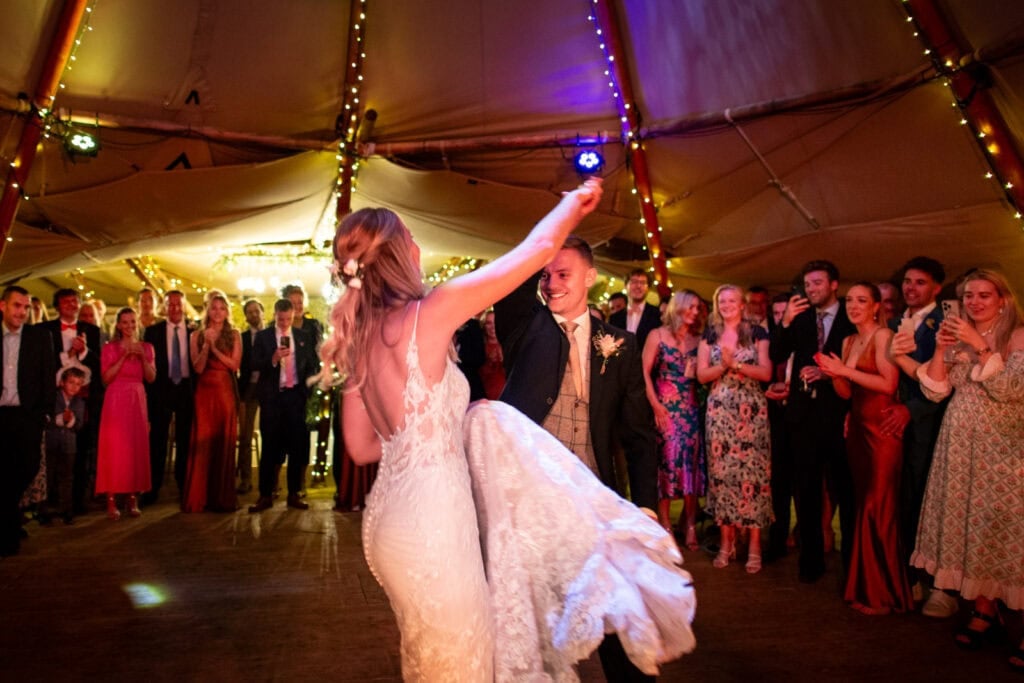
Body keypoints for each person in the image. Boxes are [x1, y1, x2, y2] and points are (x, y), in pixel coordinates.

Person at [326, 182, 693, 680]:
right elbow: (536, 251)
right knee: (462, 664)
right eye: (410, 237)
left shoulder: (360, 336)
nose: (417, 247)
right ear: (394, 254)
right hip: (435, 520)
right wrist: (572, 205)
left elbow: (362, 446)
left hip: (390, 521)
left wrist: (433, 433)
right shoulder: (429, 314)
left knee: (431, 657)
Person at [496, 234, 671, 682]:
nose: (552, 284)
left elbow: (637, 436)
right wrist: (548, 239)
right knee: (533, 623)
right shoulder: (525, 328)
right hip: (529, 502)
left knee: (617, 614)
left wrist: (647, 505)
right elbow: (512, 286)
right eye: (546, 274)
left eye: (563, 274)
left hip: (594, 497)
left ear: (591, 278)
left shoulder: (622, 345)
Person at [905, 269, 1024, 671]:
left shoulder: (1018, 336)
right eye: (968, 295)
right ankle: (984, 610)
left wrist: (981, 347)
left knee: (1007, 531)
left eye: (983, 295)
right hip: (959, 449)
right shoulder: (959, 334)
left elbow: (1012, 391)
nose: (973, 302)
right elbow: (935, 390)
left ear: (1003, 299)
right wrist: (941, 349)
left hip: (1007, 450)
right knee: (975, 528)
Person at [817, 283, 912, 615]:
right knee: (862, 506)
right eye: (850, 301)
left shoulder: (883, 337)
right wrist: (832, 374)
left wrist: (844, 370)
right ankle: (867, 587)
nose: (854, 306)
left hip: (884, 430)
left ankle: (884, 594)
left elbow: (888, 384)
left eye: (862, 301)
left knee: (878, 506)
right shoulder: (847, 341)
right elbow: (846, 392)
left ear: (875, 307)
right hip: (857, 428)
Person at [772, 260, 856, 583]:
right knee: (805, 490)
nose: (812, 289)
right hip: (803, 416)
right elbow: (778, 353)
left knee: (844, 491)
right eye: (808, 284)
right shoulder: (801, 316)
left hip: (838, 415)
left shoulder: (851, 316)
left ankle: (851, 563)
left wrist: (828, 372)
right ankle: (811, 560)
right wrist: (786, 321)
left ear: (834, 284)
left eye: (818, 283)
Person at [886, 256, 951, 616]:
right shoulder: (894, 323)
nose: (911, 288)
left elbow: (947, 381)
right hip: (894, 425)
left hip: (931, 424)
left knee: (928, 499)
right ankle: (906, 573)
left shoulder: (944, 323)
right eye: (907, 282)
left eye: (920, 282)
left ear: (937, 288)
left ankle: (935, 583)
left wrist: (910, 410)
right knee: (904, 498)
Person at [697, 284, 773, 573]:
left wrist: (737, 367)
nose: (727, 304)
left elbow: (765, 372)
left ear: (743, 304)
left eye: (732, 300)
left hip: (751, 411)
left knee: (752, 476)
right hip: (719, 412)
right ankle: (727, 541)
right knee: (722, 476)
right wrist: (724, 367)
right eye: (722, 301)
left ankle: (754, 544)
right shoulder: (710, 334)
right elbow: (702, 375)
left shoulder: (757, 332)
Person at [642, 289, 704, 549]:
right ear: (677, 307)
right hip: (665, 410)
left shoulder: (700, 339)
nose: (695, 312)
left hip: (690, 410)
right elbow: (642, 373)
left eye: (698, 308)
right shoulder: (657, 335)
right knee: (666, 466)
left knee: (691, 466)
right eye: (691, 307)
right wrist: (655, 406)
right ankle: (665, 524)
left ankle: (689, 524)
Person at [0, 286, 56, 556]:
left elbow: (48, 377)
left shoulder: (40, 337)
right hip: (0, 416)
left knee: (26, 468)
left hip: (27, 417)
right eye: (16, 306)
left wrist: (44, 414)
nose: (22, 312)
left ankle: (8, 521)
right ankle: (8, 534)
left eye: (26, 307)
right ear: (3, 306)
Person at [248, 298, 318, 513]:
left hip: (295, 397)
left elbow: (312, 364)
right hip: (273, 398)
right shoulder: (263, 337)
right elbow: (253, 363)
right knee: (270, 447)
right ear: (275, 315)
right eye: (281, 319)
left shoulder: (303, 336)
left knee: (297, 447)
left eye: (288, 319)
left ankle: (294, 493)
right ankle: (265, 495)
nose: (285, 322)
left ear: (293, 315)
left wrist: (306, 391)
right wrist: (273, 358)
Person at [39, 288, 102, 514]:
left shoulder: (92, 330)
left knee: (82, 452)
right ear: (57, 306)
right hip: (55, 401)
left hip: (83, 402)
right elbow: (42, 365)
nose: (71, 305)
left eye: (75, 302)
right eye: (66, 302)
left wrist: (84, 352)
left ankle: (75, 502)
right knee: (52, 454)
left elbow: (100, 364)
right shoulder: (43, 330)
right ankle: (51, 503)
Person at [181, 291, 241, 513]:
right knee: (203, 443)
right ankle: (199, 497)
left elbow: (234, 365)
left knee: (223, 442)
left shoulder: (234, 334)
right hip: (204, 392)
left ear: (227, 312)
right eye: (214, 308)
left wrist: (216, 347)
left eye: (222, 308)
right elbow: (197, 367)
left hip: (225, 391)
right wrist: (206, 345)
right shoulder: (196, 335)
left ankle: (221, 498)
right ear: (208, 310)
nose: (217, 312)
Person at [96, 308, 156, 520]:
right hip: (115, 398)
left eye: (132, 321)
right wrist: (122, 357)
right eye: (125, 322)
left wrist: (142, 359)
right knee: (114, 448)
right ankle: (111, 499)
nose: (129, 325)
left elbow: (151, 378)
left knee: (134, 448)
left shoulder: (147, 347)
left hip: (137, 399)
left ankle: (132, 498)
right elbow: (106, 379)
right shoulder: (109, 348)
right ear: (119, 325)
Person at [143, 290, 194, 504]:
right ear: (164, 307)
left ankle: (184, 486)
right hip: (161, 391)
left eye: (178, 304)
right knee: (157, 441)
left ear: (184, 306)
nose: (174, 308)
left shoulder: (195, 331)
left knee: (185, 441)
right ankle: (152, 489)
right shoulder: (152, 332)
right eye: (170, 305)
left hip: (186, 390)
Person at [765, 292, 795, 560]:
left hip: (800, 416)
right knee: (778, 483)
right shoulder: (769, 340)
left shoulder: (807, 338)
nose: (782, 317)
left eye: (786, 311)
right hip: (774, 415)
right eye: (776, 313)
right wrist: (768, 390)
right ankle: (777, 538)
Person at [40, 365, 89, 525]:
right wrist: (60, 419)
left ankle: (66, 510)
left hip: (69, 446)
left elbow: (79, 425)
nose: (74, 387)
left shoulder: (80, 403)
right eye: (71, 382)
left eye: (78, 384)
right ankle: (44, 511)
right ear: (62, 382)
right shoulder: (53, 398)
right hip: (51, 443)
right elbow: (46, 419)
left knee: (66, 478)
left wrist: (72, 421)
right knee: (48, 477)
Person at [236, 298, 264, 494]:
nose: (254, 314)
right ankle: (245, 479)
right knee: (245, 436)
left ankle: (268, 481)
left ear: (263, 312)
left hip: (269, 389)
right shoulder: (241, 338)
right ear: (246, 316)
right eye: (250, 312)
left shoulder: (273, 334)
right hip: (247, 389)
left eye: (256, 311)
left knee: (271, 435)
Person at [609, 268, 661, 349]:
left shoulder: (657, 315)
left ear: (648, 288)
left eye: (643, 283)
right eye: (634, 282)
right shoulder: (614, 318)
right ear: (626, 286)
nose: (638, 286)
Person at [478, 310, 505, 400]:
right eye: (488, 323)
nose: (492, 327)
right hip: (487, 400)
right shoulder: (479, 348)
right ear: (483, 326)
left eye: (495, 323)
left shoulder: (508, 345)